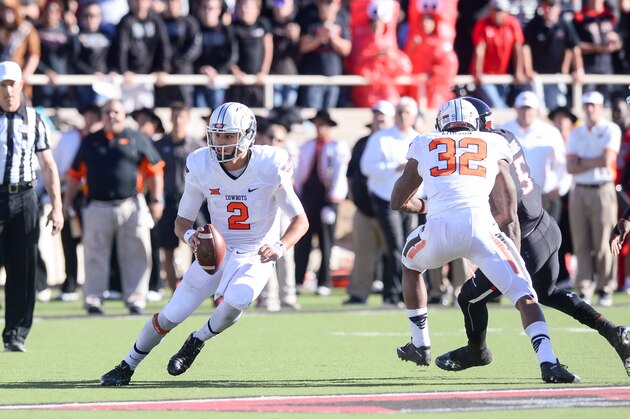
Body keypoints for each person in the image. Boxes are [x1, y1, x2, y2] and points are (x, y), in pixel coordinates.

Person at [99, 102, 309, 386]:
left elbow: (300, 221)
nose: (220, 143)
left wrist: (280, 247)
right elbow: (181, 222)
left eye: (228, 136)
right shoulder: (201, 164)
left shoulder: (269, 165)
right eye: (217, 135)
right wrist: (191, 238)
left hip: (256, 252)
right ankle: (127, 365)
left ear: (247, 135)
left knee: (239, 298)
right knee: (171, 314)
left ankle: (197, 340)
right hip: (216, 254)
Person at [434, 97, 630, 379]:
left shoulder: (484, 151)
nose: (455, 135)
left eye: (460, 127)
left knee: (470, 298)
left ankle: (479, 352)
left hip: (521, 237)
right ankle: (613, 331)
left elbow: (503, 211)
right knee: (548, 292)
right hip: (545, 227)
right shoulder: (505, 136)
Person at [391, 97, 579, 383]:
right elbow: (507, 206)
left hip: (438, 230)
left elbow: (398, 200)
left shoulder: (423, 141)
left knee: (409, 263)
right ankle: (548, 362)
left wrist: (426, 206)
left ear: (441, 123)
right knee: (525, 296)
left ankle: (420, 344)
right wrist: (504, 243)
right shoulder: (493, 142)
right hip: (482, 228)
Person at [64, 99, 165, 315]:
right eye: (108, 112)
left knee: (137, 253)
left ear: (124, 114)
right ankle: (93, 299)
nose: (112, 116)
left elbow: (154, 170)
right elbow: (75, 174)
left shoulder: (136, 138)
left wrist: (157, 199)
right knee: (94, 255)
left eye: (116, 112)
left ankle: (136, 298)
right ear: (102, 115)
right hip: (97, 206)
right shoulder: (90, 141)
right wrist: (66, 202)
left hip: (130, 204)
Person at [0, 61, 64, 352]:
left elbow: (48, 166)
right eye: (2, 86)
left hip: (25, 197)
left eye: (11, 84)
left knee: (23, 269)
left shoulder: (35, 120)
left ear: (20, 86)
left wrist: (58, 206)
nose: (8, 91)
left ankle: (15, 332)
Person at [361, 96, 419, 306]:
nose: (403, 117)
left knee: (405, 245)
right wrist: (393, 169)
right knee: (396, 245)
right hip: (386, 198)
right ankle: (393, 293)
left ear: (414, 117)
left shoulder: (418, 138)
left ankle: (399, 292)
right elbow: (367, 168)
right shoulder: (381, 138)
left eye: (407, 113)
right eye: (400, 112)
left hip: (410, 199)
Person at [566, 91, 621, 306]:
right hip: (579, 189)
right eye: (587, 105)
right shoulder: (576, 132)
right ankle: (585, 287)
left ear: (601, 107)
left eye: (594, 105)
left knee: (605, 241)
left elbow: (607, 160)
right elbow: (570, 166)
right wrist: (589, 161)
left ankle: (606, 287)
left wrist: (581, 161)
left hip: (602, 189)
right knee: (581, 241)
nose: (590, 109)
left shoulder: (610, 128)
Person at [293, 109, 349, 296]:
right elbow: (299, 173)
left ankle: (324, 281)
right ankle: (298, 279)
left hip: (326, 197)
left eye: (323, 124)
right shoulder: (307, 146)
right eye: (317, 124)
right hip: (308, 197)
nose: (319, 128)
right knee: (303, 240)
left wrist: (333, 202)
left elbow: (339, 176)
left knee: (326, 241)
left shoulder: (337, 147)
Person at [343, 100, 394, 305]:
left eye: (383, 114)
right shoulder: (362, 142)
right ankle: (358, 292)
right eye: (376, 114)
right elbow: (352, 173)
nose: (378, 118)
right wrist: (353, 197)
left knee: (394, 253)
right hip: (364, 208)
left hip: (391, 208)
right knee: (362, 253)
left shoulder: (397, 140)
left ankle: (394, 293)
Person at [153, 102, 206, 292]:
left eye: (181, 116)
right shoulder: (159, 145)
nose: (177, 121)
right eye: (174, 116)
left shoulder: (197, 146)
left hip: (194, 201)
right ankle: (174, 294)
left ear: (188, 119)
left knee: (204, 245)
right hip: (169, 200)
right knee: (167, 249)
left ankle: (201, 289)